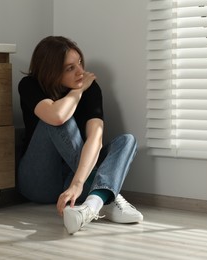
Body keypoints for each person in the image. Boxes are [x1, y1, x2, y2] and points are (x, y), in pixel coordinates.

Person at [17, 36, 143, 234]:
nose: (80, 72)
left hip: (74, 182)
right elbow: (57, 116)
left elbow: (96, 138)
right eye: (70, 68)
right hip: (38, 181)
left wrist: (77, 184)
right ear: (51, 71)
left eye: (80, 63)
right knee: (59, 117)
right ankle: (108, 195)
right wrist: (78, 91)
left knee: (128, 141)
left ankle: (93, 204)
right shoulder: (29, 84)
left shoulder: (91, 89)